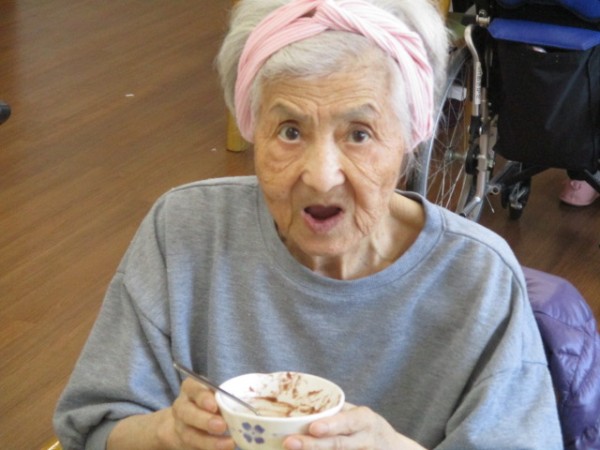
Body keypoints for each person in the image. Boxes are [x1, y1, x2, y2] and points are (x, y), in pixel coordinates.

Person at [54, 0, 563, 449]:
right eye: (290, 131)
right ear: (253, 129)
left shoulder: (478, 278)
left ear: (410, 136)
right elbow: (91, 428)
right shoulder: (185, 232)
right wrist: (164, 434)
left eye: (359, 134)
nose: (321, 177)